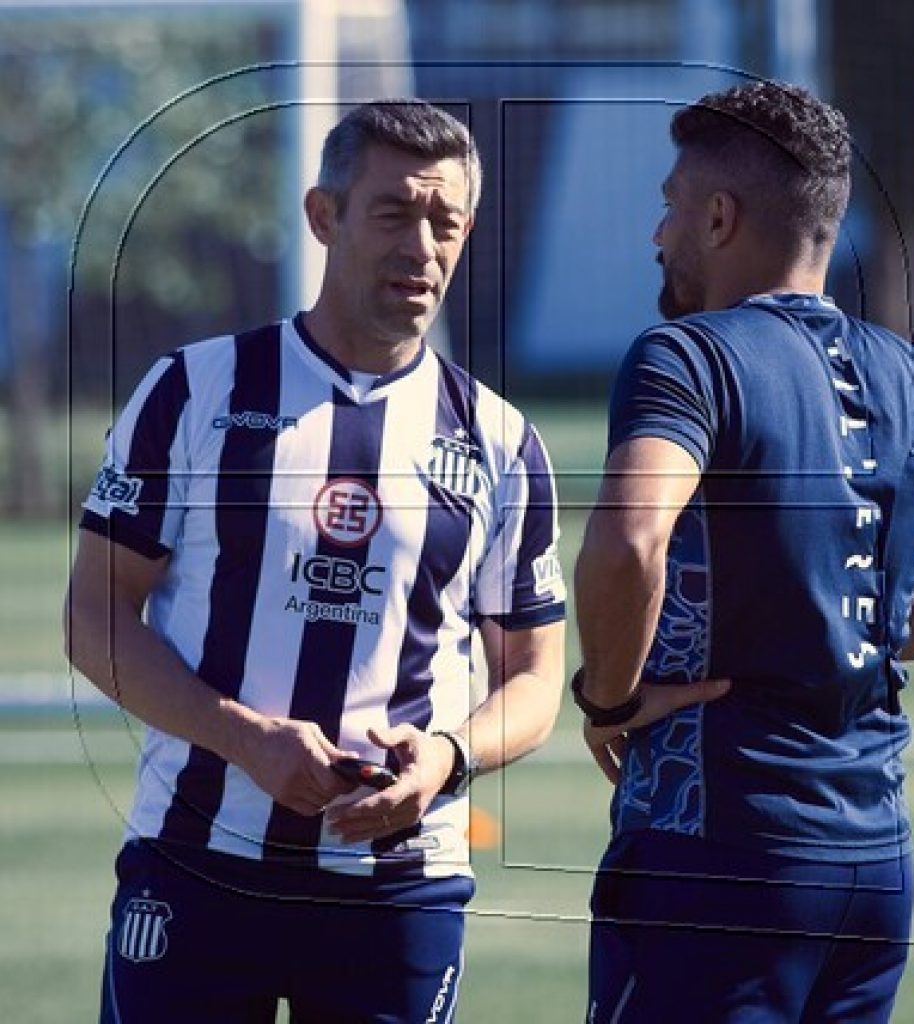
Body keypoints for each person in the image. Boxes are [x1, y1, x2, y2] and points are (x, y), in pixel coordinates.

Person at [65, 100, 566, 1024]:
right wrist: (242, 738)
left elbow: (535, 680)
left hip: (399, 887)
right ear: (324, 216)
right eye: (394, 214)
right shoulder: (193, 391)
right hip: (197, 864)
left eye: (445, 222)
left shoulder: (500, 440)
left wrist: (449, 757)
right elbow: (94, 618)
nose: (423, 245)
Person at [573, 80, 914, 1023]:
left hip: (718, 853)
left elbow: (628, 542)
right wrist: (830, 635)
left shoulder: (686, 358)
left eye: (670, 207)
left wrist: (609, 696)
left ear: (720, 216)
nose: (659, 234)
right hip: (872, 865)